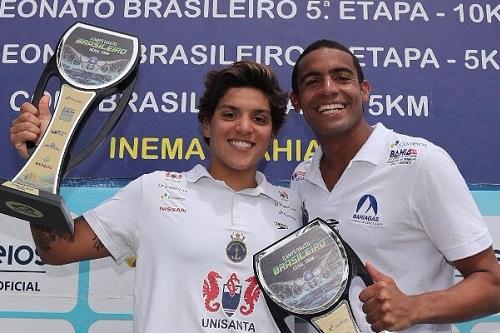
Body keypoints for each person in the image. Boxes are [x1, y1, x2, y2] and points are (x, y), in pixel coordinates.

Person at [9, 61, 302, 332]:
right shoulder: (154, 190)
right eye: (229, 114)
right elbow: (57, 250)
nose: (244, 127)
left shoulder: (293, 208)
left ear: (273, 133)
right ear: (206, 125)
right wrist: (44, 158)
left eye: (259, 118)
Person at [289, 39, 500, 333]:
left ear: (364, 90)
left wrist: (414, 308)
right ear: (297, 101)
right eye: (313, 81)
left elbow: (492, 283)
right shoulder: (301, 179)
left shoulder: (420, 162)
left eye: (341, 77)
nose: (328, 89)